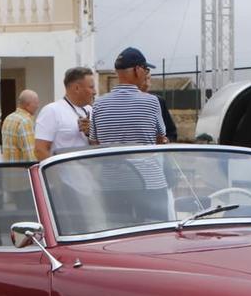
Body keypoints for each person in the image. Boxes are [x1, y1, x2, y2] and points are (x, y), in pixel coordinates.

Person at [91, 46, 170, 191]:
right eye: (146, 70)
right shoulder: (152, 102)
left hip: (110, 185)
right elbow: (160, 140)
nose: (146, 74)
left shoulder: (98, 104)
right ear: (137, 70)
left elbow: (95, 143)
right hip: (149, 182)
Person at [34, 66, 95, 159]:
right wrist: (56, 172)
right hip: (63, 172)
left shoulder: (90, 110)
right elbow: (40, 150)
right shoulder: (52, 111)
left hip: (89, 172)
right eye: (91, 87)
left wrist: (90, 133)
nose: (95, 92)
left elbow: (97, 147)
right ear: (77, 88)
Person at [0, 89, 40, 162]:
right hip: (21, 171)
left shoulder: (8, 118)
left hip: (8, 169)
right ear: (28, 105)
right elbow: (30, 154)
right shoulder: (25, 121)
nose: (37, 106)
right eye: (36, 103)